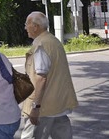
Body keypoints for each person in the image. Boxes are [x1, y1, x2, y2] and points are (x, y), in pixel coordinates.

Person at [22, 11, 78, 139]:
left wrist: (35, 107)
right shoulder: (53, 41)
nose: (25, 28)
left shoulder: (41, 45)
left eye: (27, 24)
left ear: (35, 27)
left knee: (31, 136)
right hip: (59, 103)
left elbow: (41, 78)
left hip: (44, 107)